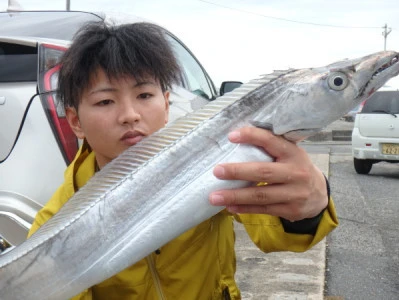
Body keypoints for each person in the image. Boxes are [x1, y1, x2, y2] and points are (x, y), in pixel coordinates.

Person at [28, 21, 338, 300]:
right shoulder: (56, 223)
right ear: (75, 121)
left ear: (166, 104)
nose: (130, 115)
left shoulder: (212, 159)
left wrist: (310, 206)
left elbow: (276, 232)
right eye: (105, 101)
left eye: (144, 96)